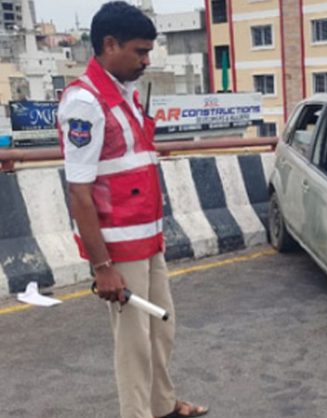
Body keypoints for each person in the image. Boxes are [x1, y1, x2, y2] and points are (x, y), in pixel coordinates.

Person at [57, 2, 208, 417]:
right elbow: (79, 192)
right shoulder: (85, 103)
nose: (147, 60)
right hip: (119, 248)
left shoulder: (124, 93)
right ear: (109, 44)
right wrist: (102, 265)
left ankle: (162, 405)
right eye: (140, 52)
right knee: (133, 344)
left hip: (148, 238)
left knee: (162, 328)